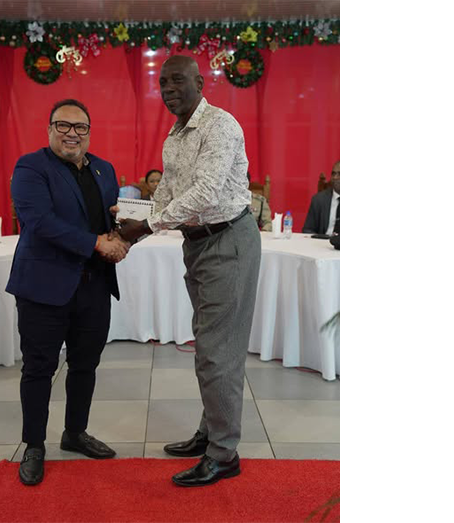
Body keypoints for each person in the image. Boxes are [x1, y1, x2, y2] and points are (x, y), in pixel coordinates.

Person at [118, 56, 261, 488]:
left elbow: (205, 192)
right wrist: (131, 228)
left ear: (201, 82)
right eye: (162, 82)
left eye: (177, 80)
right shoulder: (176, 134)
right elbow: (167, 190)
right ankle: (211, 431)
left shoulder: (220, 125)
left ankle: (224, 454)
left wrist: (143, 226)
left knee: (218, 352)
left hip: (228, 241)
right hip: (197, 245)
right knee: (208, 347)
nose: (167, 88)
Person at [6, 99, 130, 486]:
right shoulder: (30, 167)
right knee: (39, 369)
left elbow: (112, 218)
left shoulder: (104, 169)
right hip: (44, 286)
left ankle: (75, 432)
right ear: (49, 130)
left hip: (94, 287)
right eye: (63, 125)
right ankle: (34, 445)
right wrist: (98, 244)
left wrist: (124, 236)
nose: (72, 133)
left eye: (80, 127)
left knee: (85, 365)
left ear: (89, 133)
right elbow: (39, 222)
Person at [302, 161, 340, 236]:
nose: (335, 177)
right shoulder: (318, 200)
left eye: (339, 174)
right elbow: (308, 230)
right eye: (333, 174)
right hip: (323, 243)